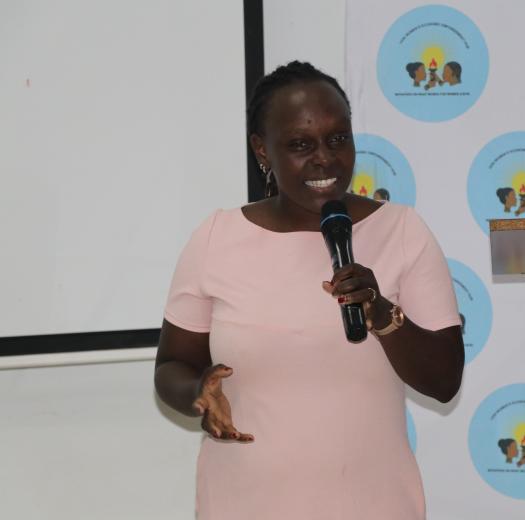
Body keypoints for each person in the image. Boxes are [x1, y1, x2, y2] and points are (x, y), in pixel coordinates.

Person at [154, 61, 464, 520]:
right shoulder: (216, 238)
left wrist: (382, 314)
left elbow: (444, 381)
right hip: (244, 505)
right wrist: (198, 391)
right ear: (262, 150)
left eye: (338, 139)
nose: (324, 158)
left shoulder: (402, 231)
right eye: (301, 144)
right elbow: (170, 367)